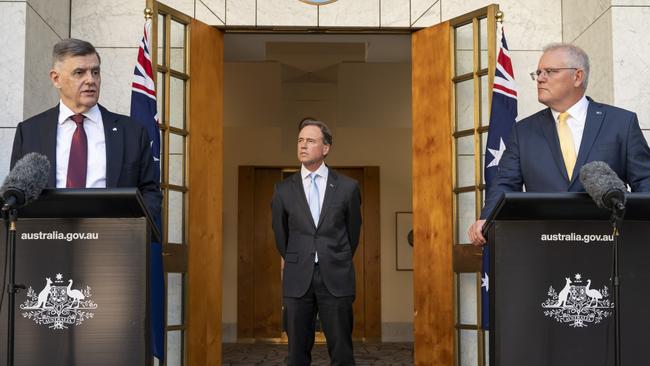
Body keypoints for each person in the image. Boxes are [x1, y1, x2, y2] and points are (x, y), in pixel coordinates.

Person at [469, 43, 650, 246]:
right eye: (538, 72)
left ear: (577, 76)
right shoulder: (523, 131)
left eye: (550, 71)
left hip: (609, 243)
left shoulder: (621, 123)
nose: (540, 78)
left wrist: (641, 228)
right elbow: (505, 184)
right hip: (544, 245)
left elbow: (645, 181)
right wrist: (488, 217)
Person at [10, 38, 161, 218]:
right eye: (79, 72)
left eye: (95, 72)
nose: (91, 80)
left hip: (112, 239)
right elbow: (18, 194)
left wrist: (134, 232)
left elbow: (149, 191)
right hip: (48, 237)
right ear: (56, 78)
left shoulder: (132, 132)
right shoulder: (30, 132)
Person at [271, 118, 362, 365]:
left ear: (326, 148)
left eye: (310, 141)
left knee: (342, 352)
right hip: (297, 277)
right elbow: (281, 236)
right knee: (296, 354)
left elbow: (353, 232)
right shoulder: (283, 190)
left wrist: (333, 255)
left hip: (336, 276)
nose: (303, 145)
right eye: (300, 140)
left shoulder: (347, 187)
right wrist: (300, 256)